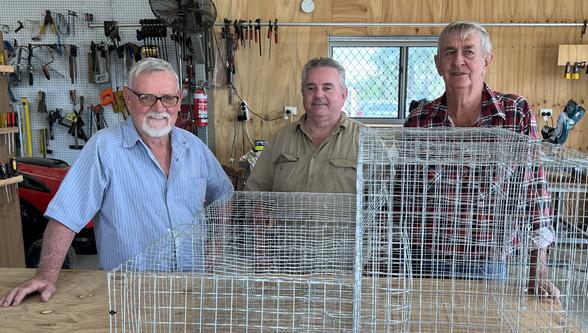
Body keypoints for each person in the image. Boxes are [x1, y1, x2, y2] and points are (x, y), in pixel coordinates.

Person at [1, 58, 233, 306]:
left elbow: (224, 194)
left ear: (178, 100)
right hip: (129, 293)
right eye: (147, 98)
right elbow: (65, 216)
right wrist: (46, 274)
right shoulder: (105, 148)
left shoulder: (194, 147)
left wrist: (217, 244)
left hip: (192, 288)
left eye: (168, 98)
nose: (159, 107)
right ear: (128, 99)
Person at [404, 21, 560, 300]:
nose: (458, 61)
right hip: (424, 258)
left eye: (469, 52)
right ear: (438, 63)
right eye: (449, 53)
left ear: (487, 61)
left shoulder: (515, 113)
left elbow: (534, 190)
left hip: (486, 260)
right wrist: (387, 257)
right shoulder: (420, 119)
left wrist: (540, 268)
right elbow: (403, 195)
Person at [245, 57, 361, 193]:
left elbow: (386, 203)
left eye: (327, 88)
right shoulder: (281, 138)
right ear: (303, 94)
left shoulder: (365, 140)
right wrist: (258, 208)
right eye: (311, 88)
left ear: (343, 95)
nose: (318, 94)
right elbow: (255, 190)